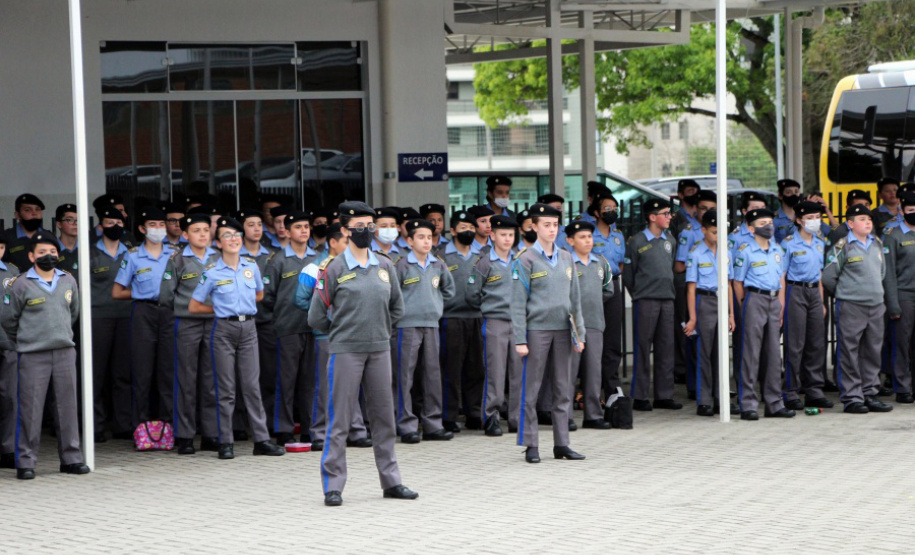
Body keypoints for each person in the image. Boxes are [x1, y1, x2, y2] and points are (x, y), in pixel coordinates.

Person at [308, 201, 418, 507]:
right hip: (345, 351)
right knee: (339, 419)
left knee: (384, 419)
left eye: (371, 226)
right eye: (359, 227)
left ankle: (391, 481)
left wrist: (379, 329)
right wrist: (343, 332)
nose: (366, 231)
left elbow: (397, 307)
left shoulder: (384, 265)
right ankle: (333, 486)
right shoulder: (333, 269)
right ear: (345, 230)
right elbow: (316, 316)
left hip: (380, 349)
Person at [189, 217, 285, 459]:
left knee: (252, 387)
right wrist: (221, 309)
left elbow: (260, 294)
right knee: (226, 388)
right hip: (223, 330)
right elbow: (194, 306)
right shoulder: (211, 272)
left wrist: (240, 307)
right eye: (227, 237)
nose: (233, 240)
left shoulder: (251, 266)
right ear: (218, 244)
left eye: (236, 236)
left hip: (249, 329)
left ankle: (261, 440)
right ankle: (226, 442)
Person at [1, 232, 89, 479]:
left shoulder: (68, 280)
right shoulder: (19, 284)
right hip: (31, 353)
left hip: (63, 351)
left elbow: (73, 312)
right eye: (41, 252)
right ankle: (26, 461)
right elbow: (9, 320)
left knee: (67, 407)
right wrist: (27, 339)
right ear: (31, 256)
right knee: (30, 408)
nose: (48, 257)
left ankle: (71, 458)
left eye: (52, 252)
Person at [511, 203, 586, 464]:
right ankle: (531, 444)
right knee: (531, 391)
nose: (551, 229)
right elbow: (517, 303)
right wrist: (520, 338)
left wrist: (581, 334)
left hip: (564, 331)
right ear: (534, 226)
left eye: (555, 225)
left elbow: (574, 299)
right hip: (536, 331)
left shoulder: (566, 257)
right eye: (546, 225)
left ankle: (561, 443)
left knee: (563, 389)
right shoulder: (525, 259)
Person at [294, 223, 371, 451]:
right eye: (346, 241)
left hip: (351, 333)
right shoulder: (314, 268)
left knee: (352, 384)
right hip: (326, 335)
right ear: (333, 243)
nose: (351, 245)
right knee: (325, 385)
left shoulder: (353, 266)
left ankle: (356, 431)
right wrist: (325, 315)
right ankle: (319, 433)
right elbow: (300, 299)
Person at [158, 213, 220, 454]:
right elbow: (166, 295)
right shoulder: (178, 259)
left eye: (206, 229)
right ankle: (185, 435)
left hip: (215, 323)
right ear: (184, 235)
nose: (203, 234)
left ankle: (211, 434)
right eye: (196, 230)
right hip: (187, 323)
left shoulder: (218, 257)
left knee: (211, 380)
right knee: (186, 380)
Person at [822, 204, 893, 414]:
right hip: (851, 305)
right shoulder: (843, 246)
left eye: (869, 218)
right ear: (850, 224)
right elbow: (828, 277)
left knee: (872, 351)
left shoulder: (876, 243)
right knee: (849, 352)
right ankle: (852, 397)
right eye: (862, 219)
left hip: (875, 305)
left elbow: (881, 272)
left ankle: (869, 393)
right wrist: (846, 293)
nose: (868, 222)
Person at [392, 219, 455, 443]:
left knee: (432, 375)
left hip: (431, 325)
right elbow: (393, 295)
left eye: (429, 237)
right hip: (406, 326)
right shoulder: (400, 265)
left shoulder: (438, 264)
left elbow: (449, 290)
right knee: (404, 376)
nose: (426, 241)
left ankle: (432, 424)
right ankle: (406, 425)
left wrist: (435, 306)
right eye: (421, 237)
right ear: (409, 241)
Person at [112, 206, 175, 427]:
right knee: (142, 372)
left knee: (168, 372)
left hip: (170, 312)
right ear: (142, 228)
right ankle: (141, 427)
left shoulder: (175, 254)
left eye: (161, 225)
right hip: (143, 313)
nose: (157, 229)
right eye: (152, 225)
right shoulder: (133, 256)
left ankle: (169, 427)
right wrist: (140, 293)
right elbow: (117, 292)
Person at [262, 210, 319, 445]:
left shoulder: (319, 259)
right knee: (285, 381)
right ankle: (283, 428)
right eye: (298, 227)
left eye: (306, 226)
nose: (304, 231)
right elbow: (267, 296)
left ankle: (310, 429)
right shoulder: (278, 260)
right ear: (286, 230)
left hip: (314, 329)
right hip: (287, 328)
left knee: (310, 382)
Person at [732, 208, 793, 420]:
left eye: (770, 221)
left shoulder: (777, 249)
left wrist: (781, 304)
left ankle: (774, 403)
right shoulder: (745, 250)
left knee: (774, 354)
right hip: (754, 299)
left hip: (774, 300)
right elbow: (737, 282)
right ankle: (748, 403)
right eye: (762, 223)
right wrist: (743, 305)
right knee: (751, 353)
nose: (768, 226)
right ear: (751, 229)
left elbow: (782, 279)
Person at [623, 198, 681, 412]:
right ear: (652, 217)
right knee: (642, 347)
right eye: (665, 213)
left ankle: (664, 395)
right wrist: (638, 294)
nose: (669, 217)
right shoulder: (636, 241)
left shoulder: (670, 240)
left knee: (666, 348)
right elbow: (629, 274)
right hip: (645, 300)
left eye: (669, 213)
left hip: (667, 298)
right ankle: (639, 395)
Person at [466, 214, 520, 436]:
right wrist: (490, 308)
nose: (507, 239)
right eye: (503, 235)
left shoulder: (521, 261)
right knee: (495, 371)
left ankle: (517, 417)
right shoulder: (485, 263)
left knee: (519, 372)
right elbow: (472, 294)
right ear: (493, 236)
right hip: (496, 322)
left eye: (510, 235)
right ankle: (491, 416)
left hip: (518, 323)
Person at [779, 201, 834, 410]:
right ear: (800, 220)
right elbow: (782, 276)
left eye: (817, 217)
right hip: (795, 290)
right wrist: (782, 304)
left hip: (814, 292)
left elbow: (819, 275)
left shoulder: (820, 242)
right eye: (809, 218)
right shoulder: (788, 243)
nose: (814, 221)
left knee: (816, 343)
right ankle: (791, 391)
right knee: (795, 344)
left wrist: (821, 302)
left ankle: (814, 391)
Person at [88, 207, 133, 442]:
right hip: (98, 318)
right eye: (109, 221)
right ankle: (94, 424)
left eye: (118, 221)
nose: (114, 225)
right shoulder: (89, 252)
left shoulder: (131, 253)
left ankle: (123, 424)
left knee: (122, 374)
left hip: (126, 317)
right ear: (100, 226)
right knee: (96, 373)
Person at [684, 210, 735, 416]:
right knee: (704, 352)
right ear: (703, 230)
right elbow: (690, 288)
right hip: (704, 301)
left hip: (722, 301)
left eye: (720, 231)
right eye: (714, 232)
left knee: (722, 353)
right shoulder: (695, 253)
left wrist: (731, 314)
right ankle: (704, 400)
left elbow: (730, 285)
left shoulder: (726, 252)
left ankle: (720, 397)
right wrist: (693, 317)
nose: (717, 236)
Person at [565, 220, 614, 429]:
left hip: (594, 323)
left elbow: (608, 290)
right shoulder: (565, 263)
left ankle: (593, 415)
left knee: (594, 371)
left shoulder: (600, 262)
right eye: (582, 237)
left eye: (589, 237)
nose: (587, 241)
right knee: (568, 372)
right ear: (570, 241)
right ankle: (564, 417)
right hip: (571, 325)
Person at [438, 209, 484, 433]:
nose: (468, 232)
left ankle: (474, 413)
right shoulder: (441, 255)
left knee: (476, 369)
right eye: (463, 228)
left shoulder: (482, 255)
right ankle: (449, 416)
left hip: (476, 317)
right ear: (453, 230)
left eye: (471, 228)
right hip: (450, 318)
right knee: (451, 369)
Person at [674, 189, 717, 399]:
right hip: (695, 291)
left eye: (712, 209)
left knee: (715, 348)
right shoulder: (690, 233)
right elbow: (680, 266)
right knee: (695, 341)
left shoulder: (722, 239)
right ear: (695, 210)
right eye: (703, 208)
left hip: (715, 294)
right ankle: (696, 388)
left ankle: (715, 391)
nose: (708, 212)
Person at [587, 191, 627, 406]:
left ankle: (611, 388)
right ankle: (589, 389)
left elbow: (620, 265)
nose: (611, 212)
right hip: (593, 288)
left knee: (612, 341)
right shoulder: (588, 235)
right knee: (593, 338)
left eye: (614, 209)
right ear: (596, 212)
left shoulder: (618, 235)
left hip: (614, 287)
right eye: (606, 209)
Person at [881, 190, 915, 404]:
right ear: (902, 211)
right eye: (911, 210)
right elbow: (889, 274)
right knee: (902, 342)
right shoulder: (893, 235)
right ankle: (902, 386)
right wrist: (892, 304)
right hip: (904, 295)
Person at [0, 233, 20, 468]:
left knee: (9, 397)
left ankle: (8, 448)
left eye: (2, 246)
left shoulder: (12, 272)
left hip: (8, 341)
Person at [2, 193, 46, 271]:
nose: (34, 213)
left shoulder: (48, 237)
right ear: (17, 215)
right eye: (27, 210)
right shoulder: (6, 238)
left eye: (37, 209)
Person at [773, 179, 802, 243]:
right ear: (780, 196)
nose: (793, 195)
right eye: (789, 192)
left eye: (796, 192)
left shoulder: (803, 216)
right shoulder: (774, 220)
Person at [55, 203, 80, 277]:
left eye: (78, 220)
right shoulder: (52, 250)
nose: (75, 223)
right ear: (59, 224)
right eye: (69, 220)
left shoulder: (87, 250)